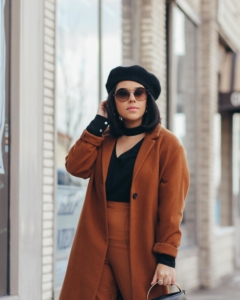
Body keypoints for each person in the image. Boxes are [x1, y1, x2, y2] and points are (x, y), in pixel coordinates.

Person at [59, 65, 190, 300]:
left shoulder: (168, 145)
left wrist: (167, 258)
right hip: (96, 237)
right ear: (113, 101)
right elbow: (75, 167)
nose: (132, 99)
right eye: (123, 94)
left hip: (139, 239)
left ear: (148, 99)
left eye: (139, 93)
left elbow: (172, 208)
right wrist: (98, 122)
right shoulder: (104, 139)